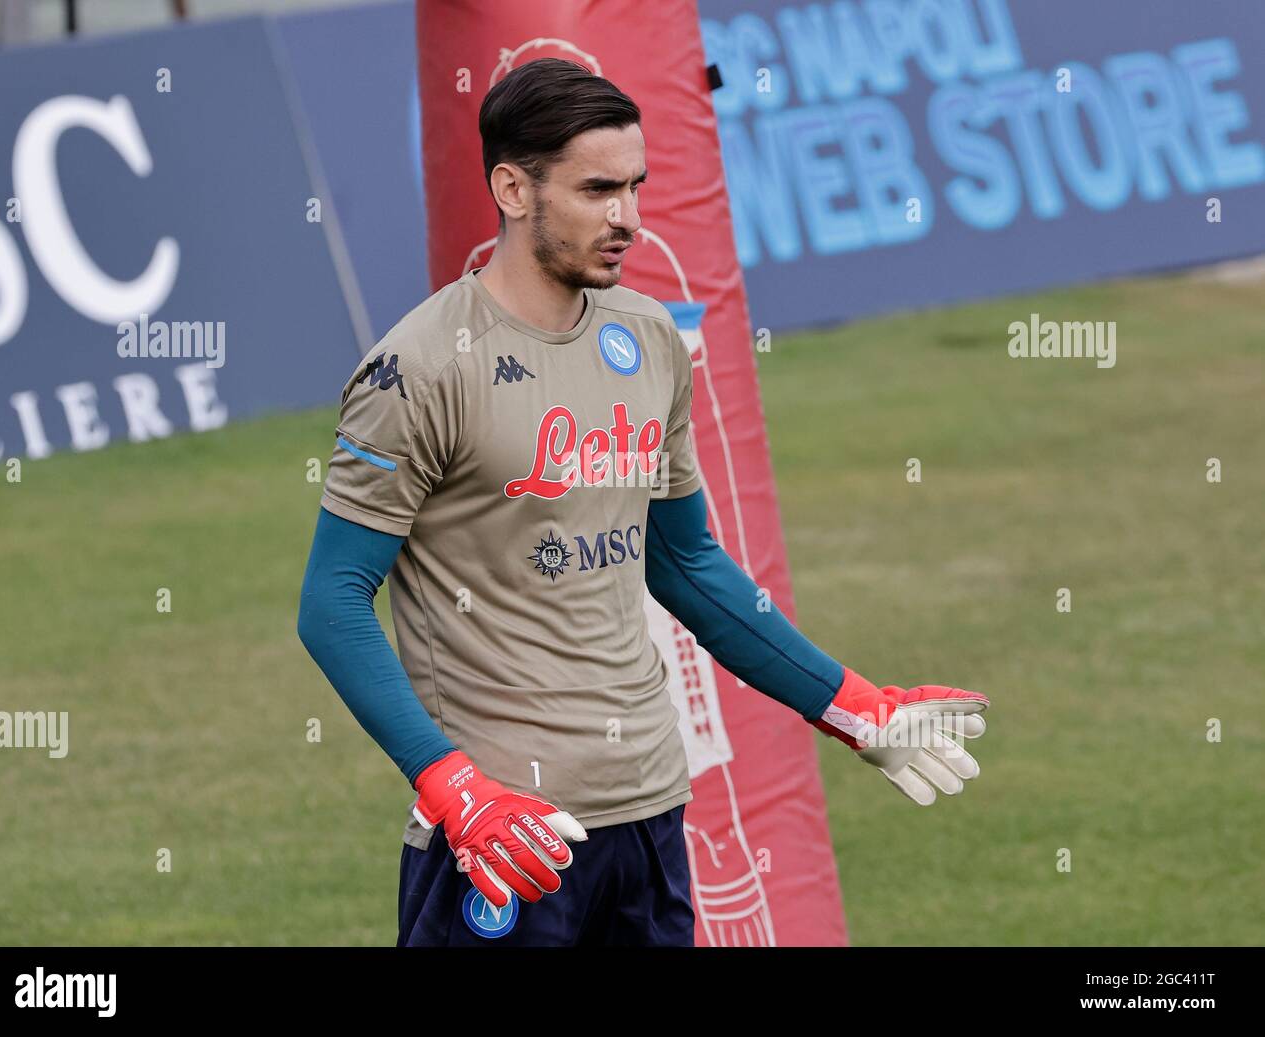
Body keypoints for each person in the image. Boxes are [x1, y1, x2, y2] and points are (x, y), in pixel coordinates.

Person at [297, 57, 989, 947]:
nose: (628, 217)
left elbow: (686, 563)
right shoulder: (421, 366)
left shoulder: (650, 337)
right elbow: (331, 601)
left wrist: (854, 704)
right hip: (504, 839)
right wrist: (453, 788)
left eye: (635, 186)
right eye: (597, 189)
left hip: (650, 817)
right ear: (512, 187)